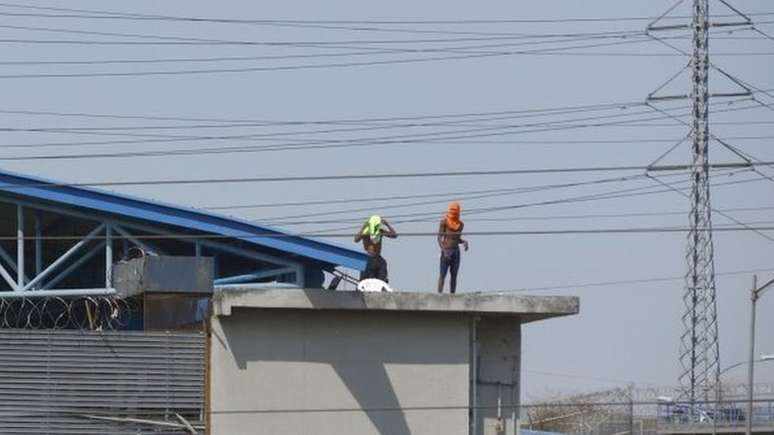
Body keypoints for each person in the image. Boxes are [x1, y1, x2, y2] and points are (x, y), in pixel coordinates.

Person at [354, 215, 398, 282]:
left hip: (378, 258)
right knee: (364, 281)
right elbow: (356, 239)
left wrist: (387, 224)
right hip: (368, 259)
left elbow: (394, 235)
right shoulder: (366, 232)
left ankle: (383, 283)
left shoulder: (380, 231)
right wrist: (363, 227)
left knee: (383, 265)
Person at [437, 201, 468, 294]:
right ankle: (439, 295)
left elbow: (456, 238)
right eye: (452, 211)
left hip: (456, 252)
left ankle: (452, 296)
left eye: (456, 211)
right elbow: (439, 238)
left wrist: (464, 242)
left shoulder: (460, 225)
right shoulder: (444, 222)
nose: (454, 213)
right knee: (442, 275)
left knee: (454, 275)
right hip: (446, 250)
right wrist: (444, 251)